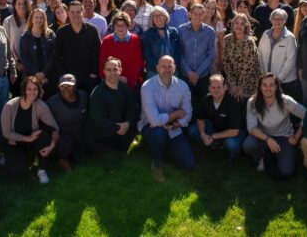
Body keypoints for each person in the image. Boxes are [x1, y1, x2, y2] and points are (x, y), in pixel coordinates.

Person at [138, 55, 194, 183]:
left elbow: (188, 114)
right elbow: (154, 121)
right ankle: (157, 165)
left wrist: (174, 124)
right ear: (157, 68)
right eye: (163, 66)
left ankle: (162, 149)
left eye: (170, 66)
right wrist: (175, 114)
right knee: (158, 132)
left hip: (173, 127)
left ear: (174, 68)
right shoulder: (147, 87)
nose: (167, 69)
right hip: (150, 127)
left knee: (188, 163)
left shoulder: (183, 86)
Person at [1, 77, 63, 184]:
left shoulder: (40, 105)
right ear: (24, 90)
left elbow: (54, 128)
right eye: (29, 89)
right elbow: (6, 133)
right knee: (17, 171)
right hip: (15, 143)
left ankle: (41, 170)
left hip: (32, 142)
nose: (32, 92)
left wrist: (51, 146)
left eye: (35, 89)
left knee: (44, 136)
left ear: (39, 91)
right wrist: (27, 138)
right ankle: (11, 158)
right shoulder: (10, 106)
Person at [243, 73, 305, 179]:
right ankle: (262, 157)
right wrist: (268, 139)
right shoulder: (252, 102)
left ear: (276, 87)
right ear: (260, 87)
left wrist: (296, 136)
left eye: (271, 85)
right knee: (248, 144)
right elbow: (251, 128)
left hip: (284, 137)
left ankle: (276, 154)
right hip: (263, 137)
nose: (268, 88)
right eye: (264, 85)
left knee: (287, 172)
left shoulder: (285, 100)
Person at [85, 58, 138, 154]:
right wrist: (117, 128)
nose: (112, 73)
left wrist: (127, 123)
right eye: (109, 70)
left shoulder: (124, 87)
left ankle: (122, 150)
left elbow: (131, 107)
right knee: (108, 156)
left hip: (120, 129)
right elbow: (99, 120)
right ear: (104, 72)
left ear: (120, 70)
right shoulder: (97, 93)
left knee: (135, 119)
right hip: (101, 135)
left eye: (115, 69)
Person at [188, 74, 246, 159]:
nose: (216, 90)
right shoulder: (206, 99)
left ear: (225, 87)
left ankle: (234, 155)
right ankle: (215, 145)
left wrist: (213, 136)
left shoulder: (233, 102)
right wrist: (203, 134)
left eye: (219, 87)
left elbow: (234, 131)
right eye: (213, 87)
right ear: (209, 88)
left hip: (235, 132)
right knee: (192, 130)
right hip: (216, 128)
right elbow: (200, 119)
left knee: (231, 144)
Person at [53, 1, 101, 94]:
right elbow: (56, 56)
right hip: (68, 78)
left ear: (83, 12)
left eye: (78, 12)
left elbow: (98, 52)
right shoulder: (61, 32)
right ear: (68, 13)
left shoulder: (92, 30)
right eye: (72, 12)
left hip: (89, 78)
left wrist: (94, 73)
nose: (75, 15)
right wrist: (63, 74)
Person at [257, 8, 301, 103]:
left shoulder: (289, 37)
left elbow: (291, 61)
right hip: (268, 82)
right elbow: (259, 54)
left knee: (287, 109)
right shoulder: (265, 34)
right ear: (271, 20)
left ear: (285, 21)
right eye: (274, 18)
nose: (277, 21)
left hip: (285, 82)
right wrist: (263, 74)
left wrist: (278, 79)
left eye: (280, 19)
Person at [177, 4, 216, 105]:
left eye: (201, 14)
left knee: (202, 103)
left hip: (203, 75)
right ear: (190, 14)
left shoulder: (210, 32)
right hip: (185, 75)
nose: (197, 17)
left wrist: (197, 73)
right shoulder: (181, 30)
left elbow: (211, 54)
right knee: (185, 103)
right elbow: (179, 53)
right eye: (195, 14)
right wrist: (189, 72)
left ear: (204, 15)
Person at [45, 74, 88, 165]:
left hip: (80, 135)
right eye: (62, 86)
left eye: (69, 86)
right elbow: (47, 125)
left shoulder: (84, 96)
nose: (66, 89)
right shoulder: (51, 102)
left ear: (75, 86)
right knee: (65, 144)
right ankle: (62, 159)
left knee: (82, 159)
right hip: (63, 137)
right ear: (58, 87)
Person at [98, 12, 144, 91]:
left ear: (127, 26)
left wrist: (130, 80)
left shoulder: (135, 40)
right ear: (113, 26)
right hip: (111, 82)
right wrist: (117, 78)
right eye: (117, 25)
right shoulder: (106, 41)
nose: (120, 28)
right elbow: (102, 63)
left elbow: (138, 62)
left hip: (131, 83)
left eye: (123, 25)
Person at [221, 13, 261, 103]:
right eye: (236, 23)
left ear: (246, 26)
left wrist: (239, 87)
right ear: (233, 24)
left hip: (248, 83)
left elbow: (248, 67)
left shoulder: (249, 41)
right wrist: (233, 84)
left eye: (242, 24)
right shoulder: (226, 39)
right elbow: (226, 63)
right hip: (233, 83)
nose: (239, 26)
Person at [18, 9, 56, 98]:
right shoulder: (25, 37)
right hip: (30, 77)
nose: (38, 20)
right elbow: (25, 59)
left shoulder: (51, 34)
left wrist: (44, 73)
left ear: (44, 19)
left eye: (41, 17)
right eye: (36, 17)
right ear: (31, 19)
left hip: (48, 77)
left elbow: (53, 56)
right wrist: (37, 74)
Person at [141, 6, 182, 80]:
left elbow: (178, 52)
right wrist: (160, 68)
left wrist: (171, 67)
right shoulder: (147, 34)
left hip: (171, 70)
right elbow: (147, 55)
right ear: (152, 19)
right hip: (154, 71)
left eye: (160, 15)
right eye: (155, 16)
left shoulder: (173, 32)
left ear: (166, 17)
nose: (158, 18)